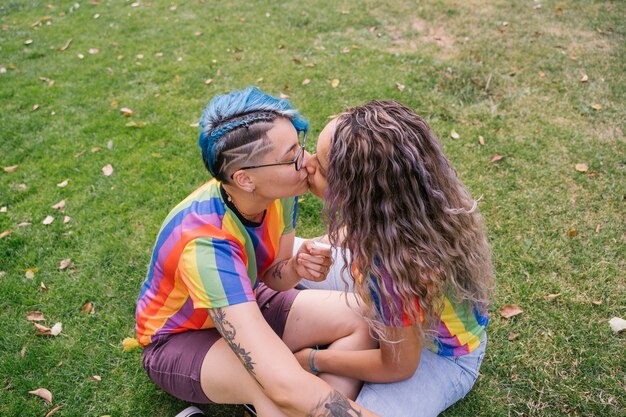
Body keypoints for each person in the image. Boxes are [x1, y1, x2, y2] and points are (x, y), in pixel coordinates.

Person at [135, 87, 380, 417]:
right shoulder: (206, 247)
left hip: (248, 300)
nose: (308, 162)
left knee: (364, 318)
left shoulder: (279, 191)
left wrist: (293, 269)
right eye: (292, 155)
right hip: (179, 340)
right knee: (274, 390)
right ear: (245, 179)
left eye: (301, 145)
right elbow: (282, 385)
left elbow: (271, 274)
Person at [296, 100, 494, 417]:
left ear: (352, 195)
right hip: (397, 315)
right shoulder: (404, 208)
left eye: (320, 167)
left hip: (439, 356)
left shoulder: (394, 269)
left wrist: (313, 360)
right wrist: (322, 247)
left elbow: (397, 366)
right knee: (290, 256)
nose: (307, 165)